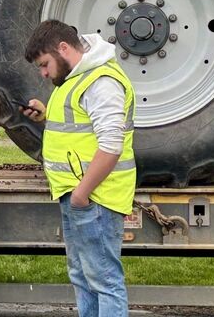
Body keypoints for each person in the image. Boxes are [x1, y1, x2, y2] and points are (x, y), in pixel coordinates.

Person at [21, 20, 136, 317]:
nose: (44, 73)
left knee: (104, 280)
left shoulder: (101, 82)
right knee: (84, 278)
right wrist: (46, 116)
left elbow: (111, 145)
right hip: (80, 196)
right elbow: (81, 129)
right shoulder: (76, 77)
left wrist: (82, 195)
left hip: (96, 198)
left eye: (45, 65)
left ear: (63, 48)